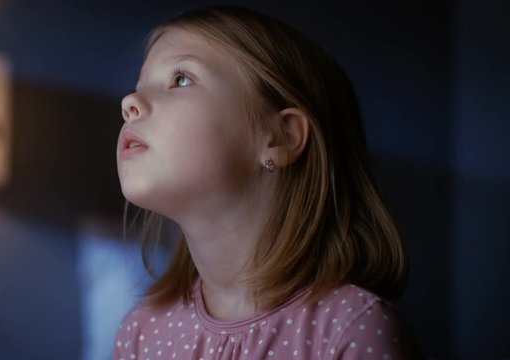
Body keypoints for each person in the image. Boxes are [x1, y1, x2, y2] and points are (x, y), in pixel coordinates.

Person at [114, 5, 423, 359]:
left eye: (181, 78)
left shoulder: (353, 331)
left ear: (280, 137)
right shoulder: (140, 332)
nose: (130, 103)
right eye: (138, 86)